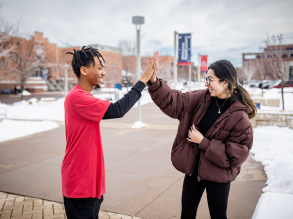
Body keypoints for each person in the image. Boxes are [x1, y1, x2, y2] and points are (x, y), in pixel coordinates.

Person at [147, 60, 256, 219]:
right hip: (194, 170)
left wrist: (203, 142)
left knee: (218, 216)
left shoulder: (240, 116)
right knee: (187, 214)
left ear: (225, 82)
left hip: (219, 174)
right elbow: (174, 100)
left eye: (210, 79)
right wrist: (154, 82)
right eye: (207, 79)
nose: (207, 84)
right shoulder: (201, 98)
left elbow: (234, 157)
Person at [61, 46, 157, 219]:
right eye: (98, 68)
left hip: (89, 182)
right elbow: (118, 109)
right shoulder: (78, 97)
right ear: (83, 70)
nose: (103, 72)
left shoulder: (82, 96)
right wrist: (142, 80)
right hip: (80, 184)